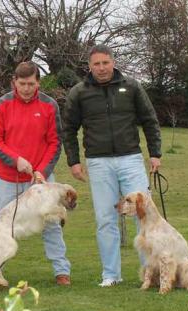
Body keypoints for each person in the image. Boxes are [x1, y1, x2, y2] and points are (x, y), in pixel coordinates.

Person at [63, 44, 162, 287]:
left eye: (105, 63)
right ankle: (111, 275)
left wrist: (155, 153)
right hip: (98, 162)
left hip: (131, 159)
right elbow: (68, 129)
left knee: (143, 215)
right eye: (96, 64)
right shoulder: (79, 92)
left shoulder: (132, 86)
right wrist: (74, 161)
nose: (101, 68)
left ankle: (150, 273)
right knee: (105, 219)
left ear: (113, 62)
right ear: (89, 66)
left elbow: (150, 120)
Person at [0, 61, 71, 286]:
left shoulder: (49, 104)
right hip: (7, 177)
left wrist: (42, 172)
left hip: (41, 179)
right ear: (14, 82)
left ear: (38, 83)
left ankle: (61, 271)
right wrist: (16, 161)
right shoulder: (1, 104)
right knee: (3, 224)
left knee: (52, 223)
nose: (26, 88)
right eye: (22, 83)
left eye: (31, 84)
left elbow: (55, 143)